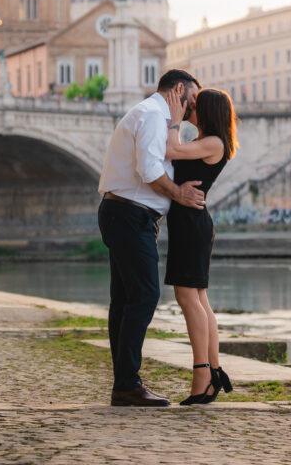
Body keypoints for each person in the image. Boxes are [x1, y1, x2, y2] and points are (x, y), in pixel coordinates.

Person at [97, 69, 204, 407]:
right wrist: (180, 194)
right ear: (179, 90)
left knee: (126, 301)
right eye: (193, 100)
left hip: (124, 213)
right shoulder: (153, 116)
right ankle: (128, 384)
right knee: (144, 295)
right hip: (130, 214)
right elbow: (149, 169)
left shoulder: (152, 115)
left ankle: (124, 384)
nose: (192, 108)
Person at [163, 88, 239, 405]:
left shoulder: (213, 143)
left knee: (187, 296)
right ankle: (214, 371)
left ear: (207, 111)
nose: (190, 108)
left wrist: (173, 119)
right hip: (190, 222)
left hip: (192, 225)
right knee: (198, 298)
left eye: (195, 105)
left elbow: (170, 151)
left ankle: (203, 375)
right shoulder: (209, 141)